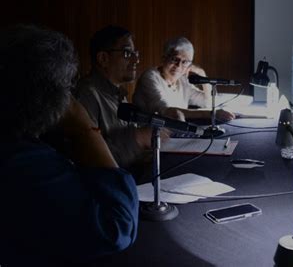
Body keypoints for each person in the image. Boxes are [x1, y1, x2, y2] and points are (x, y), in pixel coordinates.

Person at [0, 25, 138, 267]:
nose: (70, 98)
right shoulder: (20, 158)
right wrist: (84, 128)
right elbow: (117, 227)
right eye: (66, 89)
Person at [75, 25, 156, 168]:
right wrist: (137, 138)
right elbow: (87, 157)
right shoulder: (86, 94)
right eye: (127, 53)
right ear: (103, 58)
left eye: (135, 53)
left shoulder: (118, 94)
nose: (136, 60)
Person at [133, 36, 235, 122]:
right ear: (164, 58)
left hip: (173, 134)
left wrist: (202, 73)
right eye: (174, 59)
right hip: (149, 139)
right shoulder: (150, 77)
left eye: (185, 62)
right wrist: (212, 113)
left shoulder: (182, 80)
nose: (178, 66)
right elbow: (167, 111)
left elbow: (207, 102)